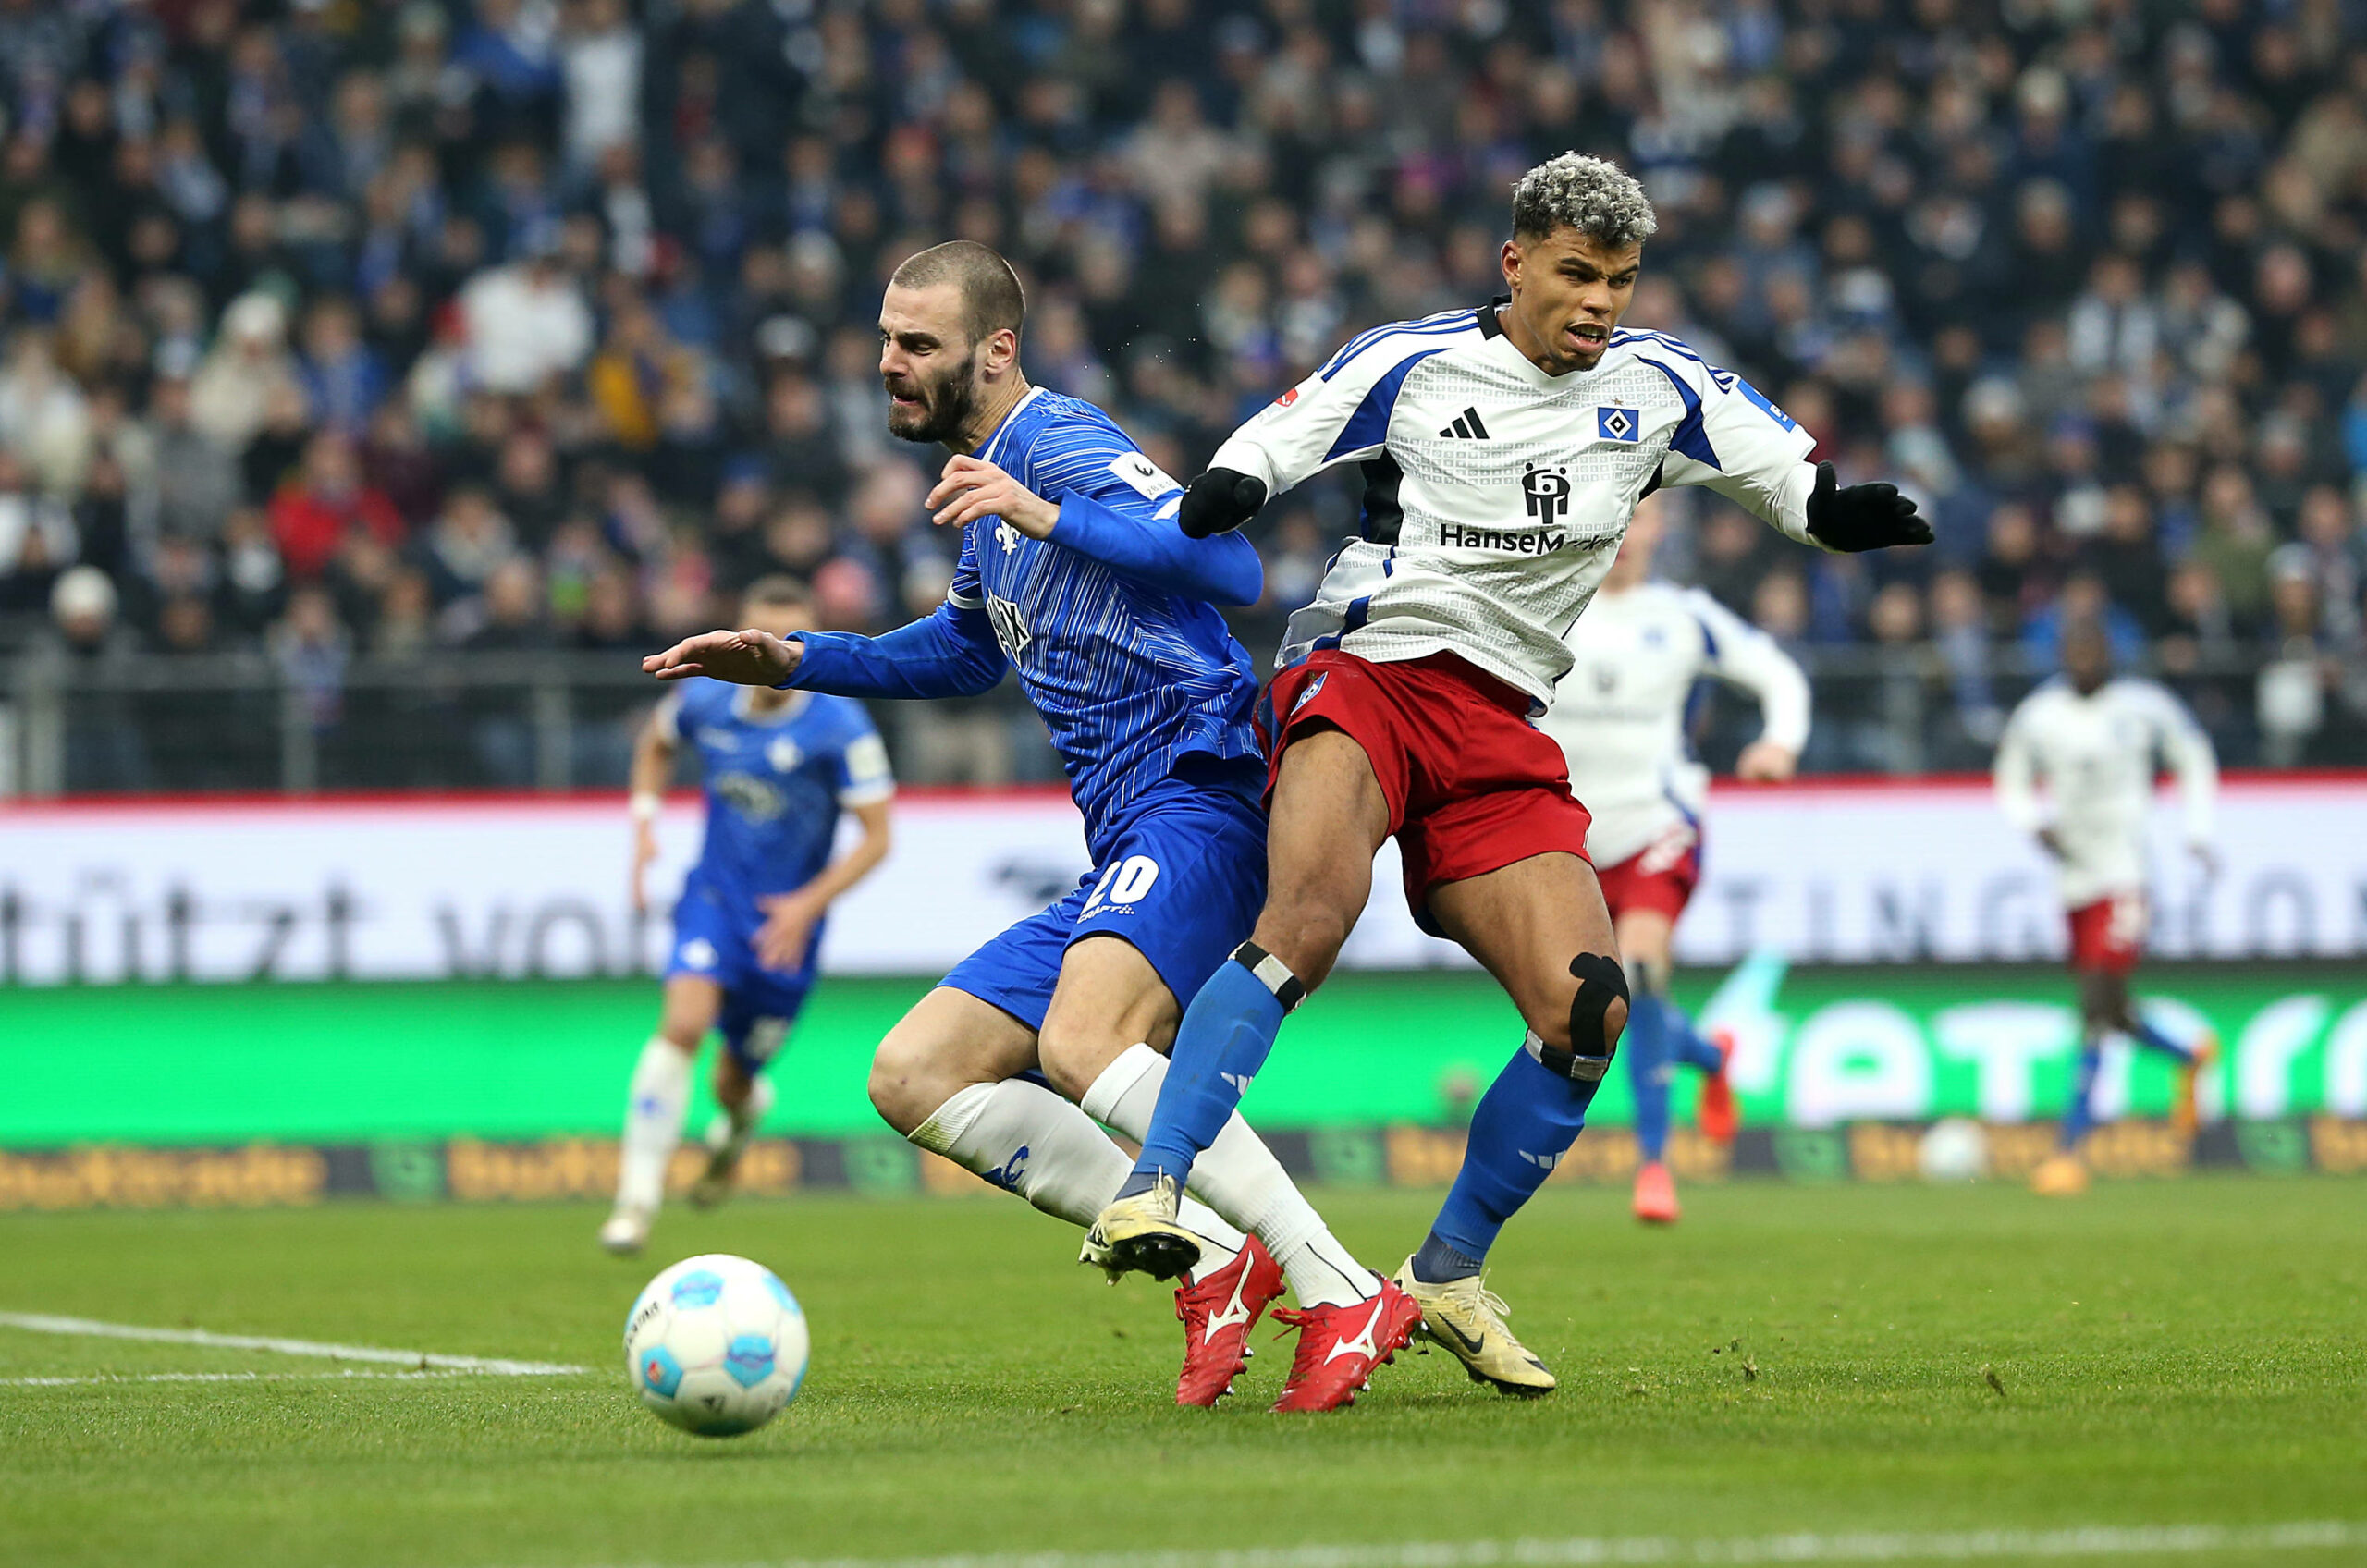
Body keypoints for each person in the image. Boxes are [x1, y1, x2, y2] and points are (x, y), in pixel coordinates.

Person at [1085, 153, 1929, 1407]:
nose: (1601, 302)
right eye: (1579, 274)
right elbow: (1261, 453)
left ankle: (1442, 1275)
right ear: (1516, 261)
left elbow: (1800, 491)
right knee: (1306, 920)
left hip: (1499, 721)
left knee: (1591, 1012)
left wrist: (1854, 515)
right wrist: (1208, 506)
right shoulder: (1411, 362)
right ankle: (1156, 1185)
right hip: (1367, 667)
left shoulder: (1662, 388)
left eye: (1624, 280)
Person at [642, 242, 1373, 1411]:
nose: (890, 364)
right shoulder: (984, 493)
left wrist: (1045, 507)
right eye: (885, 338)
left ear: (996, 352)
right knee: (914, 1071)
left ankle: (1335, 1285)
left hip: (1203, 792)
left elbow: (1228, 560)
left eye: (916, 345)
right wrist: (797, 657)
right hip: (1126, 840)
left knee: (1086, 1044)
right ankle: (1218, 1263)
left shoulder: (1058, 445)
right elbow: (963, 651)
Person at [601, 575, 895, 1255]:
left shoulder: (840, 724)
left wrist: (806, 904)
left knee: (733, 1081)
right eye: (757, 641)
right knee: (680, 1026)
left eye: (785, 642)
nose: (768, 657)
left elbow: (879, 838)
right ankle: (634, 1205)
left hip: (785, 931)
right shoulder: (704, 696)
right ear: (739, 637)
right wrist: (644, 824)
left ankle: (740, 1121)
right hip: (713, 901)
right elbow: (656, 743)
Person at [1538, 497, 1809, 1225]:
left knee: (1643, 968)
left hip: (1659, 825)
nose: (1624, 534)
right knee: (1610, 1005)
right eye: (1613, 516)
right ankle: (1711, 1058)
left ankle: (1654, 1167)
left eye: (1640, 517)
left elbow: (1780, 677)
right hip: (1569, 835)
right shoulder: (1543, 604)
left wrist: (1778, 741)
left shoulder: (1685, 616)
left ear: (1660, 528)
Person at [1994, 619, 2220, 1196]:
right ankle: (2188, 1054)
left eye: (2094, 648)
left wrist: (2199, 829)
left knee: (2094, 1005)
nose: (2085, 658)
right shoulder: (2040, 715)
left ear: (2111, 653)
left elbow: (2193, 755)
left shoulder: (2143, 707)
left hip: (2124, 875)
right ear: (2064, 655)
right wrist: (2031, 826)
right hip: (2073, 879)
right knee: (2112, 1012)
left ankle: (2070, 1148)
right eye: (2076, 649)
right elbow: (2011, 778)